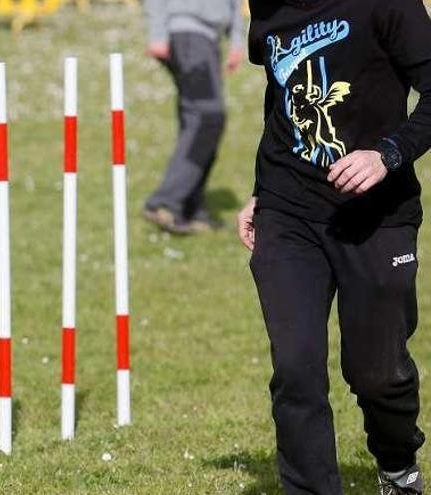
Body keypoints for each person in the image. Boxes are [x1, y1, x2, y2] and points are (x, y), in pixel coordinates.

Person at [238, 0, 431, 493]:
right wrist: (260, 193)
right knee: (295, 371)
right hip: (288, 211)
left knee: (377, 374)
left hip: (377, 215)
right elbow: (280, 95)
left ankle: (396, 463)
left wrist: (388, 154)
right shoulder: (266, 7)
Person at [143, 0, 246, 234]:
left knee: (198, 120)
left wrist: (238, 41)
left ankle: (191, 209)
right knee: (208, 119)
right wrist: (156, 34)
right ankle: (165, 202)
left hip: (207, 39)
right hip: (188, 35)